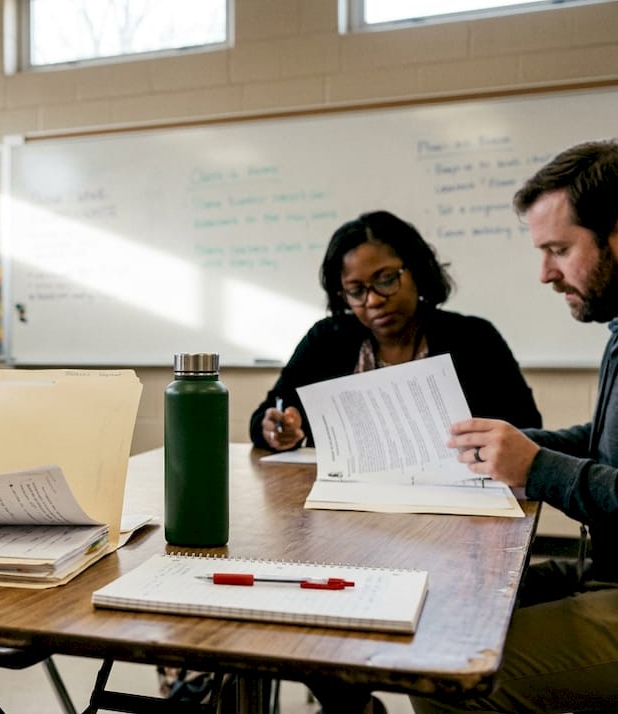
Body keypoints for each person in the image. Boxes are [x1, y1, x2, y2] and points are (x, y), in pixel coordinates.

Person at [412, 140, 618, 713]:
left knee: (443, 674)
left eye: (559, 249)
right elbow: (607, 443)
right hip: (605, 569)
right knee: (443, 609)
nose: (545, 273)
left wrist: (537, 466)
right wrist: (513, 445)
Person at [249, 210, 542, 451]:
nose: (373, 300)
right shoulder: (327, 340)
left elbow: (527, 430)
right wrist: (277, 430)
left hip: (457, 497)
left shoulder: (474, 338)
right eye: (356, 290)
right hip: (344, 497)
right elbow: (266, 416)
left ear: (417, 271)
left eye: (386, 280)